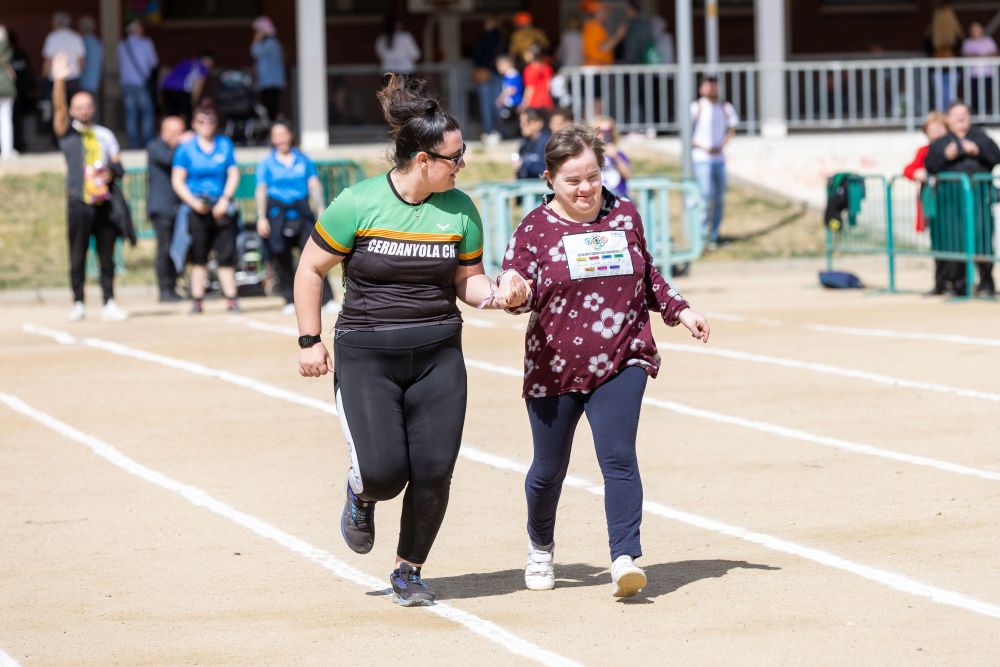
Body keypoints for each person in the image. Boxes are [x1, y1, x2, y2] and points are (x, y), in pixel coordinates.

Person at [293, 74, 530, 606]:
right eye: (455, 156)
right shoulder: (357, 203)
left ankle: (410, 569)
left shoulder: (461, 211)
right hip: (367, 353)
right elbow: (310, 268)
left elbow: (467, 280)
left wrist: (500, 293)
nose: (461, 164)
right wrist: (310, 340)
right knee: (383, 474)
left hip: (438, 354)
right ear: (423, 160)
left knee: (434, 469)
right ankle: (360, 492)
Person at [500, 123, 710, 598]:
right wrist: (514, 292)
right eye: (573, 180)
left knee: (618, 458)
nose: (585, 188)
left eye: (593, 176)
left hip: (622, 354)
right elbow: (515, 286)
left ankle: (625, 557)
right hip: (554, 364)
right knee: (548, 468)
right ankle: (540, 546)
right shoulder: (534, 229)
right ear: (550, 179)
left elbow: (648, 273)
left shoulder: (624, 215)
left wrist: (682, 310)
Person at [52, 53, 128, 322]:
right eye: (78, 107)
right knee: (77, 254)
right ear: (73, 110)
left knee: (106, 255)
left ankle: (108, 300)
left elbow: (120, 166)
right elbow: (59, 111)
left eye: (87, 106)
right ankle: (78, 301)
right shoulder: (68, 133)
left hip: (103, 201)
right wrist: (59, 79)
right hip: (78, 202)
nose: (84, 111)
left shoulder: (105, 135)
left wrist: (110, 173)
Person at [255, 120, 339, 316]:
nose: (280, 139)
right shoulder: (266, 163)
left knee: (314, 256)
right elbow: (261, 189)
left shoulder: (303, 159)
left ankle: (326, 299)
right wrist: (261, 216)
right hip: (277, 214)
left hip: (301, 214)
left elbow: (313, 184)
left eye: (283, 134)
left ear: (290, 135)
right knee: (281, 256)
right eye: (276, 135)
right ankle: (288, 298)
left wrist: (320, 208)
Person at [170, 100, 241, 314]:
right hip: (196, 206)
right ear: (194, 123)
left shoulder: (224, 144)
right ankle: (197, 300)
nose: (206, 124)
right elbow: (178, 180)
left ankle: (231, 298)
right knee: (199, 255)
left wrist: (225, 199)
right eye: (201, 121)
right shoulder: (186, 149)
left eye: (210, 120)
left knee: (225, 255)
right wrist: (193, 203)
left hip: (221, 205)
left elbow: (233, 173)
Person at [924, 100, 1000, 297]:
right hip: (951, 202)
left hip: (978, 199)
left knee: (982, 240)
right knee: (954, 242)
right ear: (948, 119)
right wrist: (946, 156)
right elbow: (930, 165)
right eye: (956, 115)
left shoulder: (980, 137)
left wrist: (977, 150)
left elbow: (996, 156)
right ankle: (960, 285)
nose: (960, 118)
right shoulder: (942, 142)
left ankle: (986, 284)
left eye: (964, 114)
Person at [903, 111, 950, 295]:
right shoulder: (923, 151)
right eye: (932, 129)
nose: (936, 132)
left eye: (940, 127)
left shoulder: (950, 148)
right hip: (933, 205)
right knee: (937, 244)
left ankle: (956, 282)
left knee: (952, 244)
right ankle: (940, 283)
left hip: (950, 203)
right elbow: (908, 169)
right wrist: (917, 173)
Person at [691, 75, 739, 248]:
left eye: (714, 85)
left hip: (718, 160)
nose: (712, 88)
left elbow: (732, 126)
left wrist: (722, 144)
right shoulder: (696, 107)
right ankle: (701, 235)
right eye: (708, 85)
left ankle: (714, 234)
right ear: (701, 88)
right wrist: (703, 146)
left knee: (718, 199)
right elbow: (687, 131)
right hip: (702, 159)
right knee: (705, 197)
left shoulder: (724, 107)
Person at [147, 116, 186, 302]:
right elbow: (171, 160)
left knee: (176, 249)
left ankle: (174, 286)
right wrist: (183, 144)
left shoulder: (176, 149)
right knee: (164, 250)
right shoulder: (155, 147)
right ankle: (164, 289)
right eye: (175, 132)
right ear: (164, 132)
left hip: (177, 207)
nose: (179, 136)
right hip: (161, 208)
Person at [118, 20, 159, 149]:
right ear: (138, 30)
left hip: (126, 84)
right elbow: (154, 63)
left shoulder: (122, 45)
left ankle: (133, 143)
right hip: (141, 83)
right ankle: (147, 142)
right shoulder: (146, 43)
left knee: (131, 113)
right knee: (147, 112)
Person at [582, 2, 625, 115]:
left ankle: (592, 128)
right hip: (596, 69)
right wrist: (618, 35)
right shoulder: (594, 27)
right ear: (597, 13)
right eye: (603, 11)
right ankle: (592, 129)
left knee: (596, 100)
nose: (606, 14)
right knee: (597, 101)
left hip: (596, 69)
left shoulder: (593, 26)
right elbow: (604, 48)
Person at [471, 16, 504, 144]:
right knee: (495, 104)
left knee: (493, 104)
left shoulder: (492, 37)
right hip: (490, 74)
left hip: (491, 73)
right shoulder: (499, 36)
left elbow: (477, 56)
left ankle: (491, 131)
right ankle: (494, 131)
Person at [925, 6, 964, 109]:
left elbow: (927, 48)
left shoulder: (932, 32)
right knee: (951, 96)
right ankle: (950, 118)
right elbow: (959, 48)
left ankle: (944, 118)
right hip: (952, 67)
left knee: (940, 97)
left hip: (937, 67)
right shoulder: (956, 32)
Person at [42, 12, 85, 101]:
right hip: (73, 80)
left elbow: (48, 61)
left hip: (56, 81)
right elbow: (81, 62)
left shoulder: (52, 37)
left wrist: (44, 77)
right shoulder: (76, 37)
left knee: (58, 110)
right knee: (74, 110)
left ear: (56, 23)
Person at [250, 16, 286, 122]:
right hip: (267, 82)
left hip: (271, 82)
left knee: (270, 109)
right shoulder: (270, 43)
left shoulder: (271, 43)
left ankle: (272, 129)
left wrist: (256, 40)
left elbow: (255, 52)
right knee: (268, 108)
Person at [161, 51, 213, 122]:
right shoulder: (202, 67)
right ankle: (188, 131)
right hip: (181, 89)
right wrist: (194, 101)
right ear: (206, 59)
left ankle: (171, 130)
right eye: (211, 61)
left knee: (171, 114)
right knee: (188, 114)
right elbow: (199, 85)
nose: (211, 64)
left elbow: (170, 71)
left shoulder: (185, 61)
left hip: (166, 87)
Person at [961, 22, 998, 115]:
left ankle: (988, 114)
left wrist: (982, 56)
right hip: (973, 74)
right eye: (974, 30)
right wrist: (977, 55)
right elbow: (965, 55)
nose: (976, 32)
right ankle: (977, 114)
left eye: (978, 29)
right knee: (975, 95)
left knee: (988, 95)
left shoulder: (988, 40)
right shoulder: (967, 42)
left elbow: (994, 53)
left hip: (987, 73)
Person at [596, 115, 631, 197]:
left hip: (618, 194)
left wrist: (616, 157)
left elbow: (627, 175)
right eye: (601, 131)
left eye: (608, 131)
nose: (605, 135)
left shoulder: (618, 153)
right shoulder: (591, 155)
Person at [514, 107, 549, 180]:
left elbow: (545, 170)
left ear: (539, 123)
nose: (522, 125)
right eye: (521, 122)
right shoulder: (524, 143)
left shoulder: (547, 143)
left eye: (527, 122)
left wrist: (523, 164)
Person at [519, 45, 553, 112]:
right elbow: (549, 86)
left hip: (534, 102)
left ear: (532, 55)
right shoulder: (546, 68)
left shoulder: (529, 69)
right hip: (546, 101)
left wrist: (524, 103)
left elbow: (530, 88)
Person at [495, 54, 523, 129]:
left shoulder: (512, 74)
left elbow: (512, 89)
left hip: (513, 103)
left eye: (500, 65)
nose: (498, 68)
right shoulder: (507, 75)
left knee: (508, 119)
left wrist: (501, 98)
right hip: (510, 103)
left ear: (508, 64)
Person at [0, 26, 16, 160]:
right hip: (5, 85)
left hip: (4, 85)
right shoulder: (6, 49)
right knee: (5, 118)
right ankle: (7, 151)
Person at [77, 16, 102, 99]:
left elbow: (81, 63)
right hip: (95, 82)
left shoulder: (82, 42)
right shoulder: (97, 42)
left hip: (84, 82)